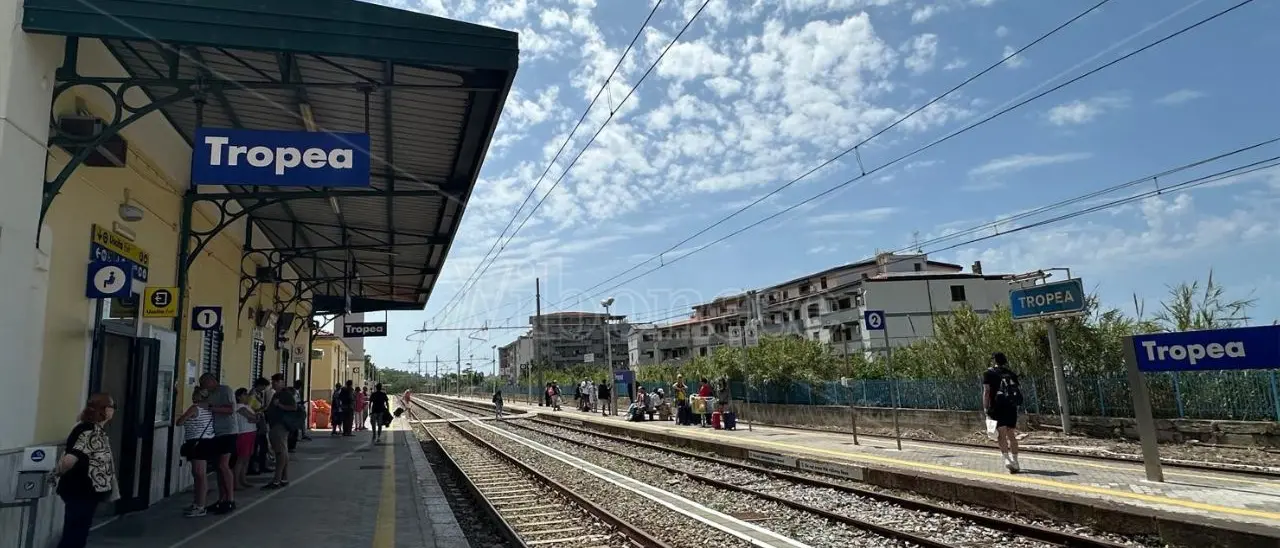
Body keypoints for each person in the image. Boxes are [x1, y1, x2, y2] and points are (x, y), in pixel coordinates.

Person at [54, 394, 117, 547]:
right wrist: (56, 473)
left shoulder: (91, 429)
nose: (113, 411)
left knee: (77, 530)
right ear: (105, 410)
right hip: (81, 489)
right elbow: (70, 459)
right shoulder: (89, 431)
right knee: (75, 532)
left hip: (84, 489)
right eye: (112, 407)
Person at [199, 373, 238, 514]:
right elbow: (197, 402)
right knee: (218, 467)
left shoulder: (225, 390)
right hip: (215, 433)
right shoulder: (209, 393)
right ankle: (221, 499)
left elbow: (230, 409)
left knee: (224, 465)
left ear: (212, 380)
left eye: (204, 383)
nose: (204, 386)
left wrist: (211, 407)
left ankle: (230, 499)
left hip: (228, 432)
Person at [983, 352, 1024, 473]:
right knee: (1011, 434)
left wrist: (986, 408)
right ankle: (1015, 461)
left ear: (994, 361)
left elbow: (986, 391)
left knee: (1001, 434)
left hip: (997, 406)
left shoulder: (988, 373)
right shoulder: (1010, 373)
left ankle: (1007, 459)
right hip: (1011, 407)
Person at [176, 389, 213, 517]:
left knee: (199, 475)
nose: (192, 396)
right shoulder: (210, 408)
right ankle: (197, 503)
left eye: (194, 394)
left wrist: (183, 417)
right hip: (206, 441)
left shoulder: (194, 408)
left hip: (197, 442)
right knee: (199, 474)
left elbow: (179, 422)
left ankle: (200, 506)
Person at [264, 374, 300, 489]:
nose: (274, 383)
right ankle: (283, 478)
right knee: (282, 451)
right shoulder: (277, 394)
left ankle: (277, 479)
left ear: (282, 382)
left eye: (276, 381)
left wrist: (279, 405)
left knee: (280, 453)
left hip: (280, 426)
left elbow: (293, 407)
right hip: (276, 425)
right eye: (273, 381)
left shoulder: (285, 394)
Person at [232, 388, 259, 490]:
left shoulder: (247, 406)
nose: (247, 396)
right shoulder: (239, 407)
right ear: (239, 396)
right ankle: (236, 482)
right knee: (241, 459)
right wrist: (255, 417)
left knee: (247, 458)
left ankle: (243, 479)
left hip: (251, 432)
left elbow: (255, 418)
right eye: (244, 394)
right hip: (243, 434)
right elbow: (253, 417)